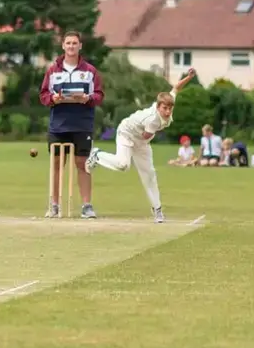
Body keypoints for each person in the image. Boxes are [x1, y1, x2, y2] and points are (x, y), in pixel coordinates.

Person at [85, 69, 197, 223]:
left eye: (170, 108)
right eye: (165, 108)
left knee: (149, 175)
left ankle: (157, 210)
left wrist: (189, 77)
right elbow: (147, 135)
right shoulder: (153, 120)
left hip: (141, 141)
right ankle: (97, 155)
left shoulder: (168, 103)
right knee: (123, 165)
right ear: (158, 107)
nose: (168, 111)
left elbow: (176, 88)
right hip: (127, 134)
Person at [39, 30, 104, 219]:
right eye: (68, 43)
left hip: (82, 124)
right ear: (63, 46)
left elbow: (99, 95)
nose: (71, 46)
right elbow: (43, 95)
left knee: (82, 164)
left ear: (80, 46)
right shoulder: (53, 70)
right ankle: (54, 205)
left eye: (74, 43)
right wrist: (54, 98)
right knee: (57, 164)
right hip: (58, 125)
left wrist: (87, 98)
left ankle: (86, 206)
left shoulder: (89, 71)